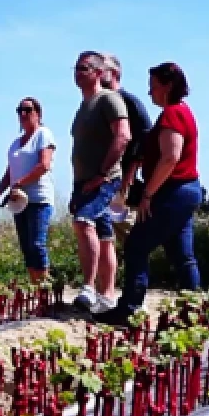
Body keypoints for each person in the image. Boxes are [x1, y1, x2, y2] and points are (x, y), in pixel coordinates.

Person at [96, 62, 202, 326]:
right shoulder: (181, 112)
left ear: (167, 86)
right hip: (186, 191)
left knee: (136, 246)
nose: (150, 92)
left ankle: (128, 309)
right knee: (182, 255)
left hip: (172, 192)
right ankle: (195, 311)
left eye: (153, 86)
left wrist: (147, 195)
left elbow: (170, 158)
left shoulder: (172, 115)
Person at [69, 51, 130, 312]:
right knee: (104, 236)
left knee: (83, 222)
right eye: (76, 68)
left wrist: (102, 174)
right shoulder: (84, 106)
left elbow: (123, 136)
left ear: (97, 72)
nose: (78, 72)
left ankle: (89, 287)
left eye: (84, 68)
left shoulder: (109, 100)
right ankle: (107, 296)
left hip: (102, 180)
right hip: (84, 181)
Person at [0, 97, 56, 282]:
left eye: (28, 109)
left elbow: (44, 165)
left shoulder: (43, 134)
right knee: (27, 246)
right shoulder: (15, 143)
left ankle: (44, 285)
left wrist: (20, 182)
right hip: (19, 202)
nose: (23, 114)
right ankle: (35, 285)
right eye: (20, 110)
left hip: (39, 200)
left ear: (38, 113)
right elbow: (10, 171)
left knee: (37, 244)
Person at [101, 54, 152, 243]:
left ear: (114, 73)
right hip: (103, 182)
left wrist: (129, 176)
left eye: (102, 68)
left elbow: (146, 137)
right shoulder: (100, 104)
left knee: (132, 237)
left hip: (124, 185)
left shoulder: (129, 101)